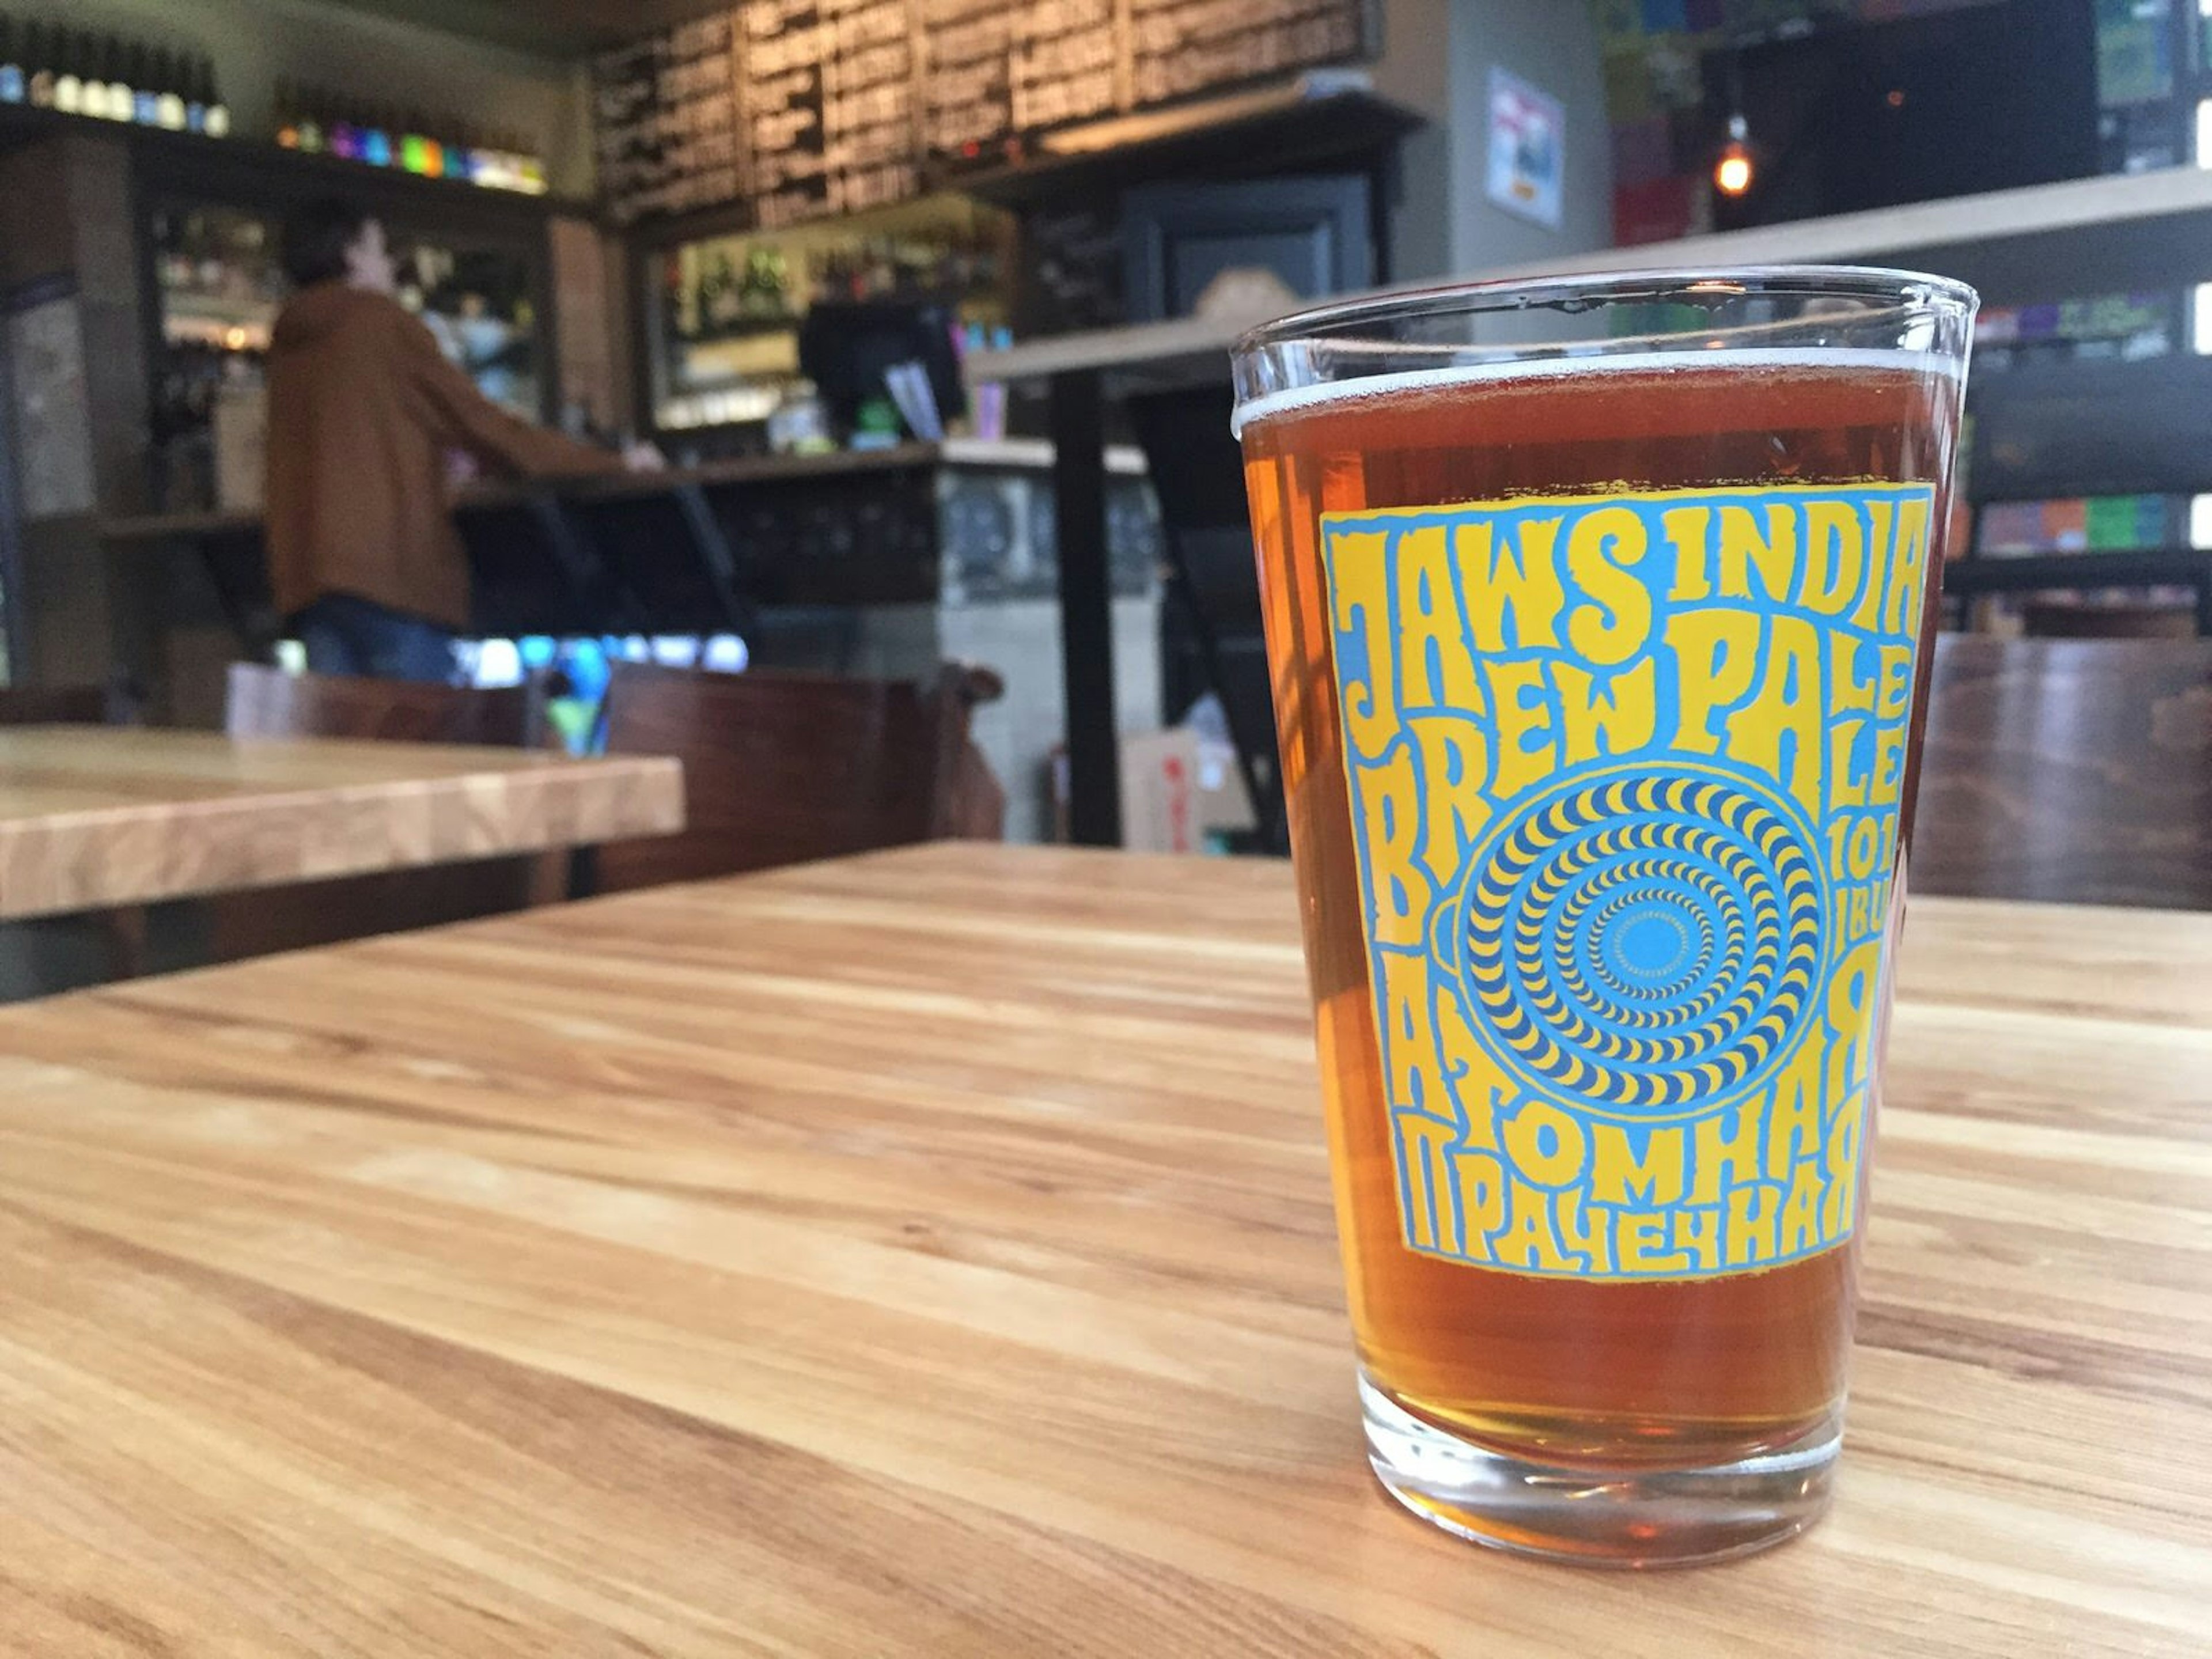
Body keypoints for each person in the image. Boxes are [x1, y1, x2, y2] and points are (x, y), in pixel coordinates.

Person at [265, 198, 657, 682]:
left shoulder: (289, 344)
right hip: (391, 579)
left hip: (310, 584)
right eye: (381, 250)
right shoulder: (380, 323)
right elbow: (485, 427)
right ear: (351, 255)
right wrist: (612, 463)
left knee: (354, 751)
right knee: (423, 752)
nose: (390, 266)